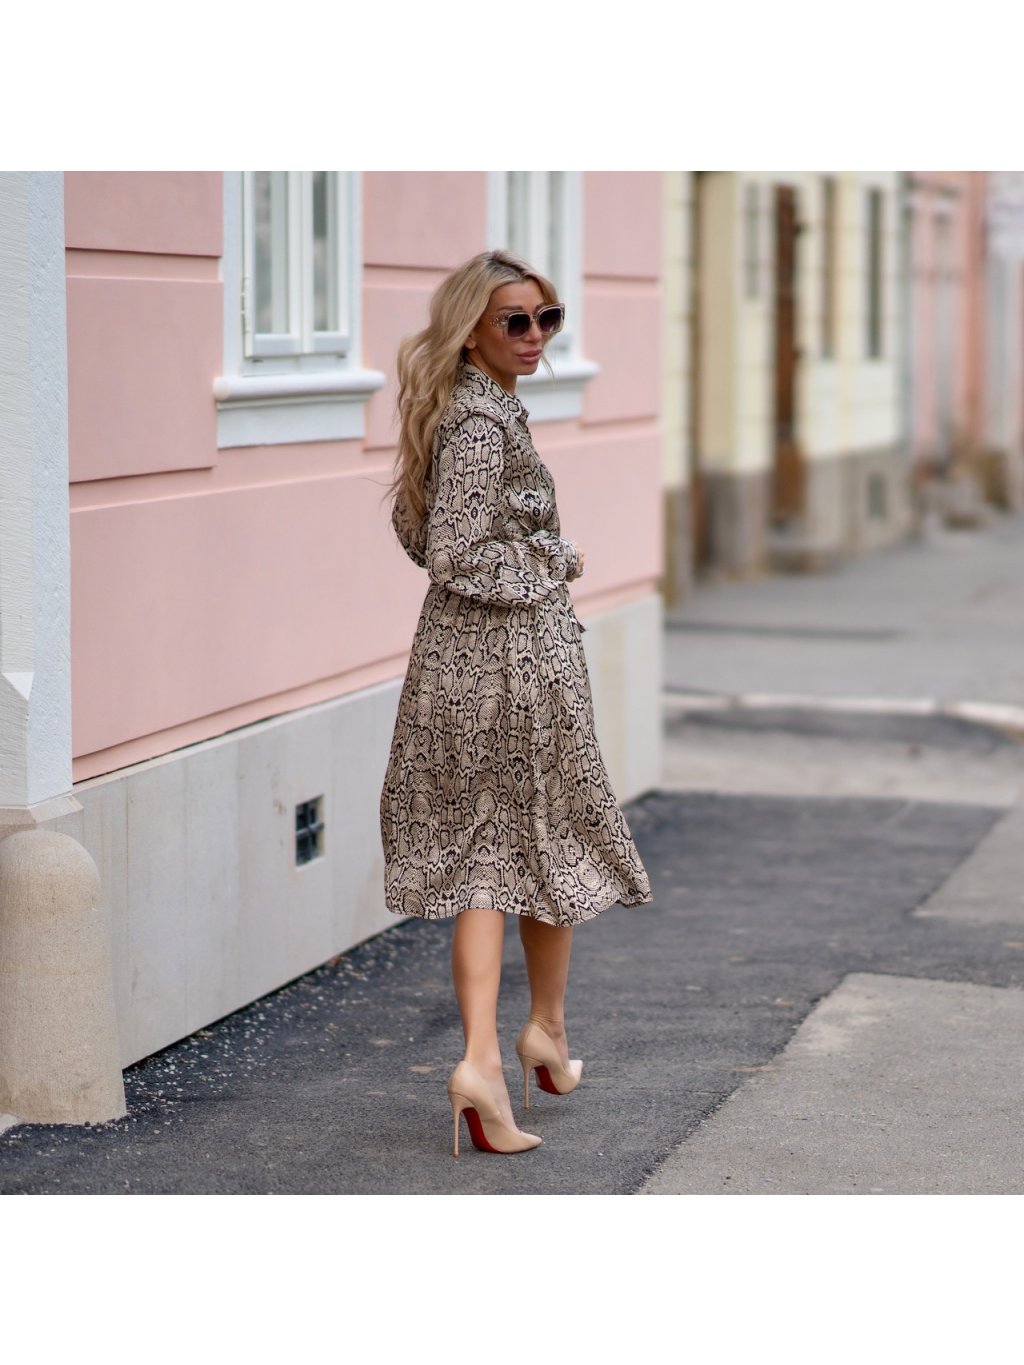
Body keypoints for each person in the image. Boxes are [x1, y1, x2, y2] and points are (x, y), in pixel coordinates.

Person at [380, 249, 651, 1157]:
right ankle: (500, 1049)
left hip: (469, 662)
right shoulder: (478, 424)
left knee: (507, 851)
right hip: (505, 669)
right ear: (471, 331)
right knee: (529, 844)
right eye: (515, 321)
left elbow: (417, 530)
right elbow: (453, 551)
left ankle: (526, 1041)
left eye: (547, 318)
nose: (535, 336)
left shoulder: (465, 410)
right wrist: (553, 559)